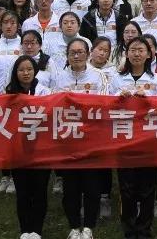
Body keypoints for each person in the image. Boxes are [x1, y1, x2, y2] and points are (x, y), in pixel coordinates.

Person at [110, 35, 157, 239]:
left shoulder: (155, 79)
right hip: (124, 137)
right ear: (126, 53)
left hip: (148, 139)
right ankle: (129, 229)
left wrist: (147, 99)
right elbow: (106, 104)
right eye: (132, 50)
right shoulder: (117, 78)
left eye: (141, 50)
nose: (136, 54)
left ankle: (144, 229)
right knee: (127, 187)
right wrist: (119, 98)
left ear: (149, 54)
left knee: (148, 187)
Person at [53, 39, 109, 239]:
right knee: (70, 187)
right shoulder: (59, 77)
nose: (76, 56)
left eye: (80, 52)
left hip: (92, 139)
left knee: (92, 186)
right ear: (67, 55)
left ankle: (89, 227)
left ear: (88, 54)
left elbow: (103, 102)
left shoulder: (99, 76)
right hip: (68, 139)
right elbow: (54, 105)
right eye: (72, 53)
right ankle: (74, 226)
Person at [6, 55, 51, 239]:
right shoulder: (8, 93)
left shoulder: (45, 91)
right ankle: (25, 230)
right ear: (15, 73)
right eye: (21, 70)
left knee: (39, 190)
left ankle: (37, 230)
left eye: (29, 69)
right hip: (18, 149)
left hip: (41, 149)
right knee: (22, 191)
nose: (26, 73)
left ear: (35, 71)